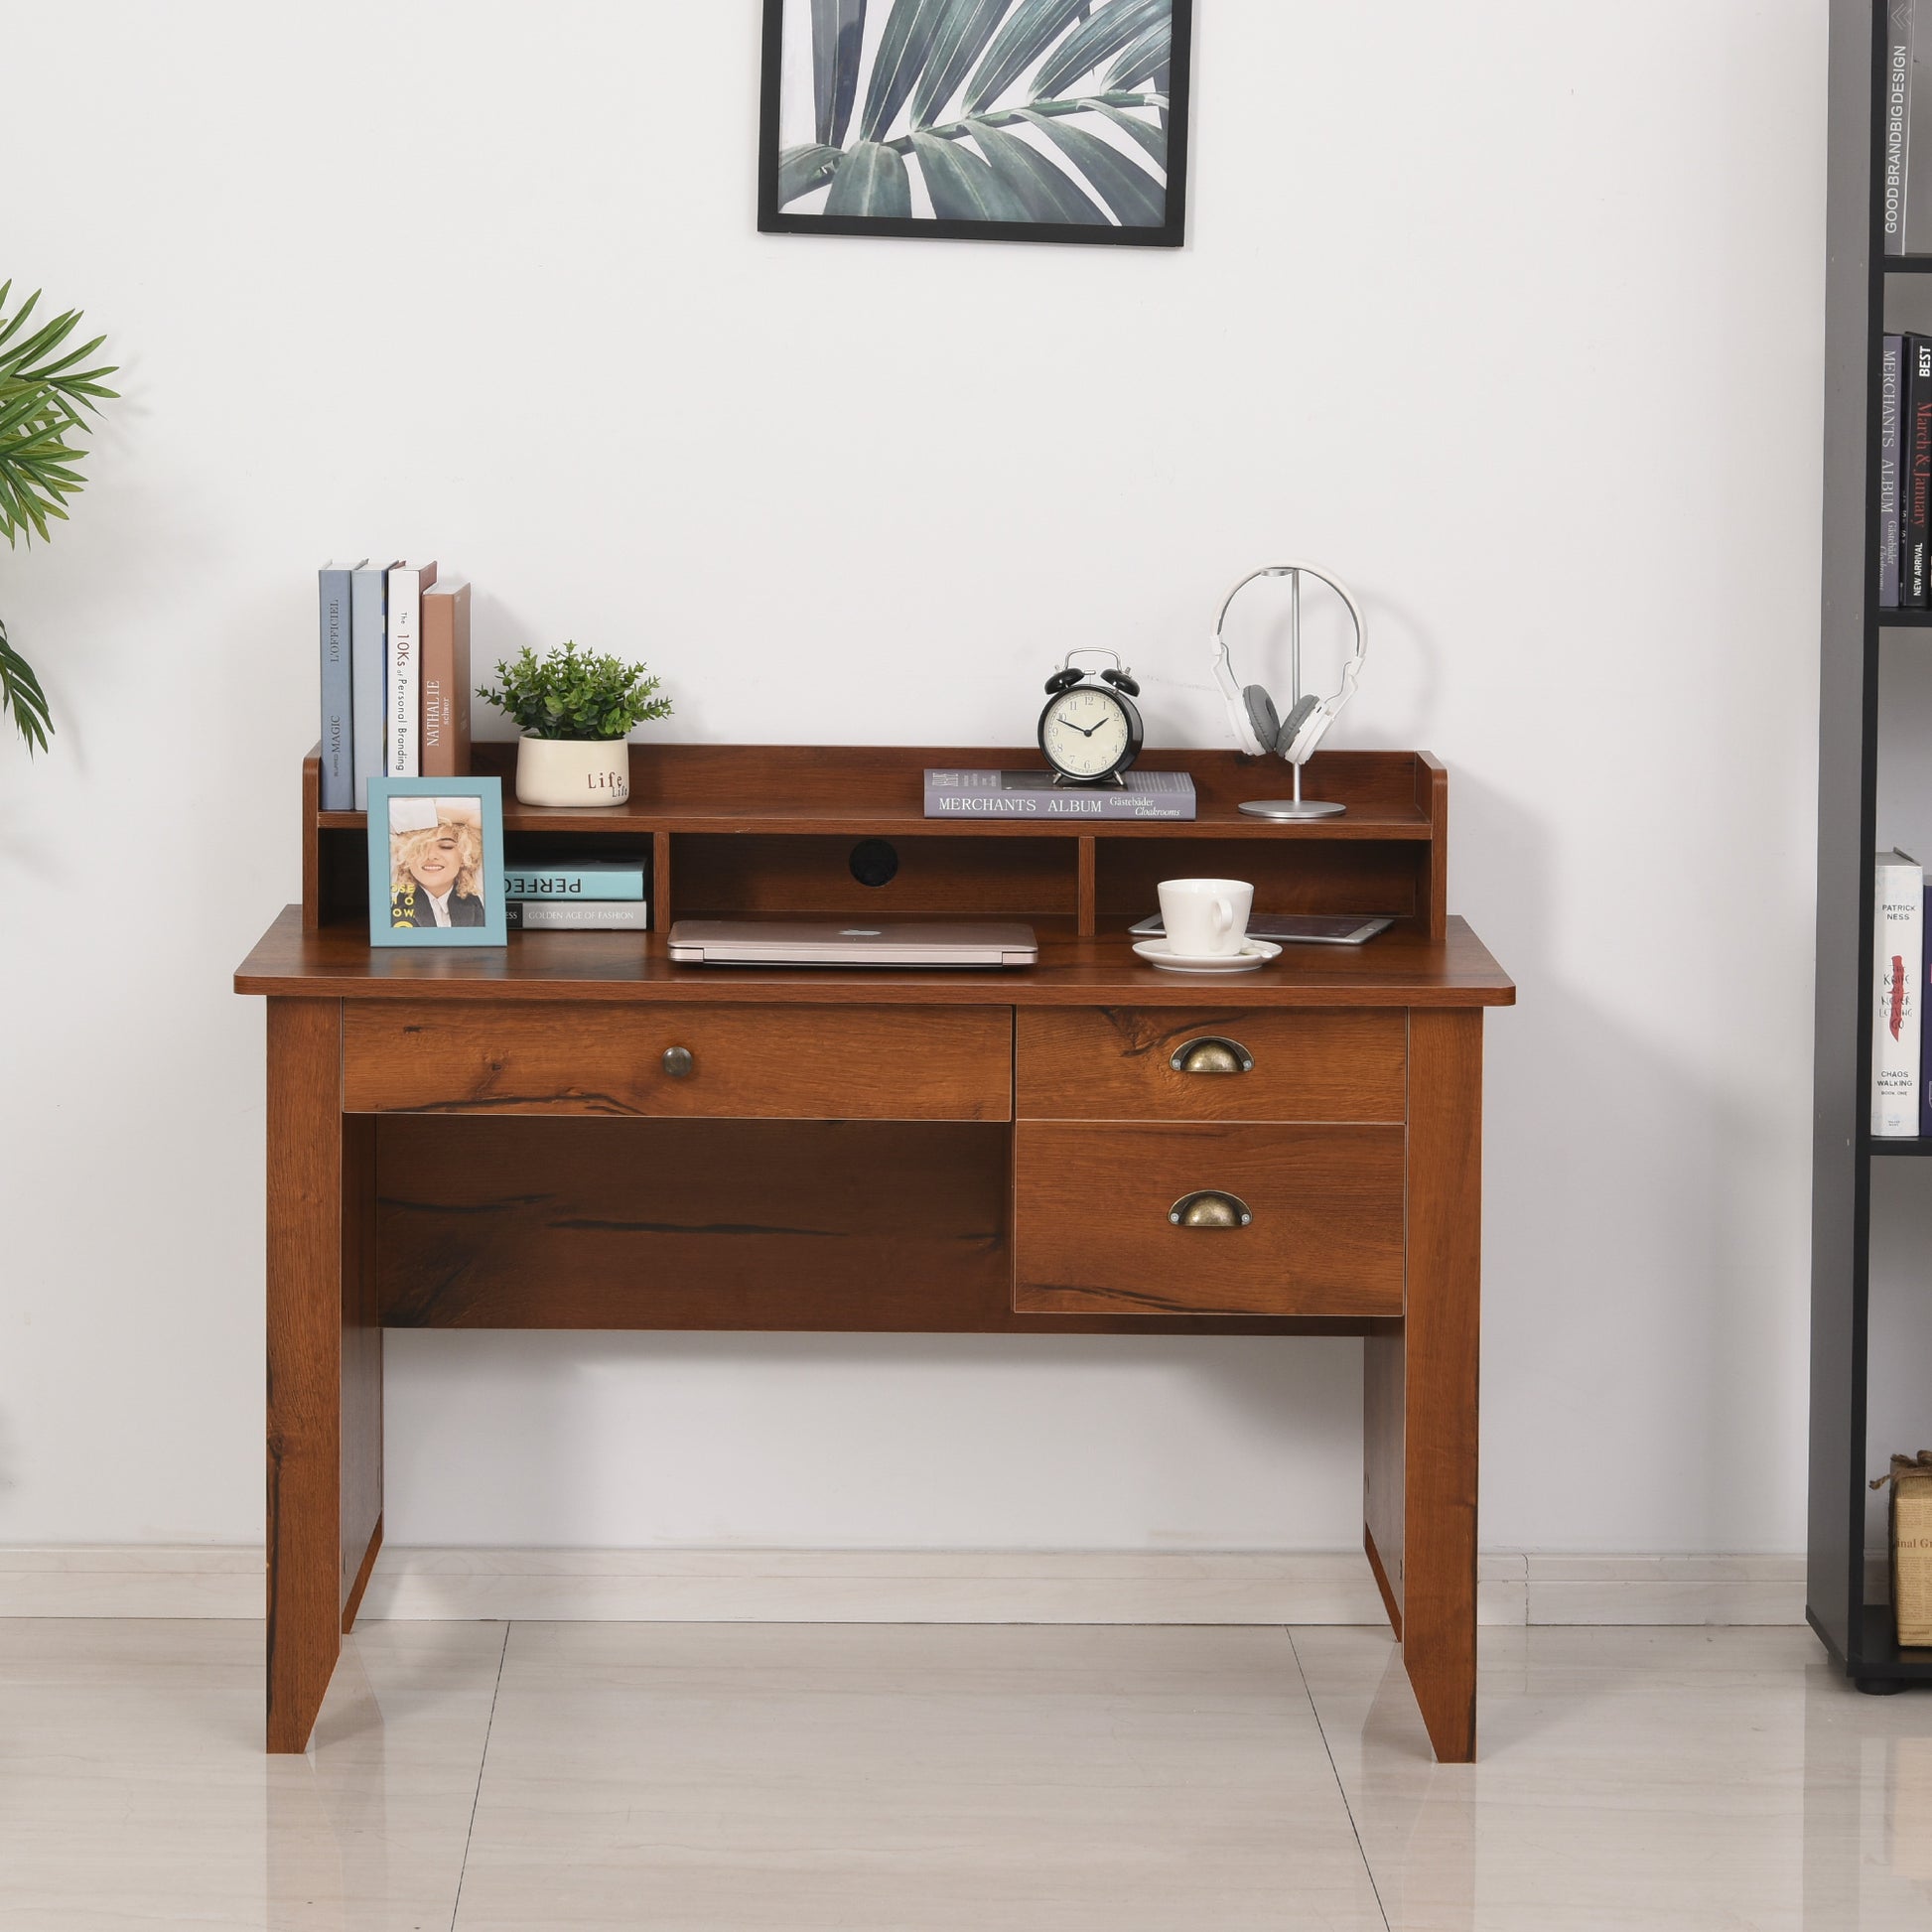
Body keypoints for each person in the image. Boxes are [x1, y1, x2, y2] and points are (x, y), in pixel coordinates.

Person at [389, 799, 486, 929]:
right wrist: (467, 817)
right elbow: (386, 816)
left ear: (464, 855)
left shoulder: (482, 890)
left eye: (446, 847)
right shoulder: (391, 892)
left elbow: (486, 815)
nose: (431, 856)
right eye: (420, 848)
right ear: (406, 855)